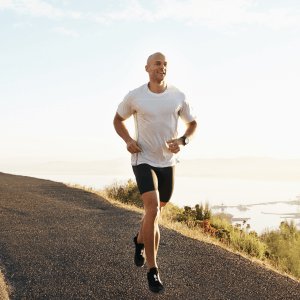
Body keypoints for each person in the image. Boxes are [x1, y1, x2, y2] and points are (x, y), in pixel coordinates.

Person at [113, 52, 197, 293]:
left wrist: (182, 140)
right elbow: (118, 120)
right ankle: (153, 270)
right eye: (158, 63)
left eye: (166, 64)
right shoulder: (135, 96)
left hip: (167, 163)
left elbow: (193, 124)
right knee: (152, 210)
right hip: (143, 159)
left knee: (156, 212)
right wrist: (128, 140)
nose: (163, 67)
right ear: (147, 67)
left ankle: (139, 239)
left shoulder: (178, 96)